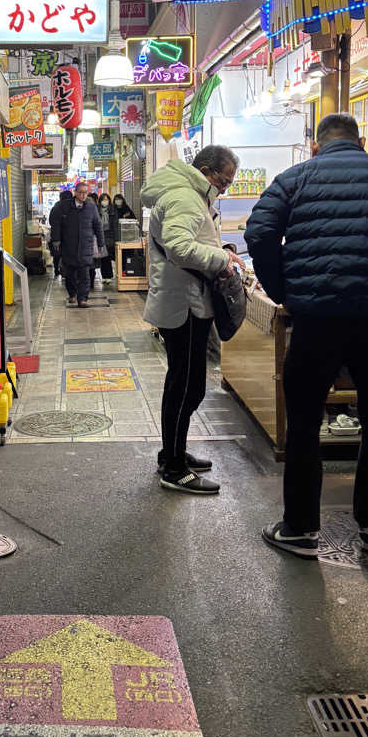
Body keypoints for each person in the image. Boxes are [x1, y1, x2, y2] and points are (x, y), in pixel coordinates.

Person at [245, 113, 368, 558]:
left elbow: (259, 234)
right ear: (360, 142)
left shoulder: (293, 179)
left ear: (317, 146)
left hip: (317, 315)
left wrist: (284, 291)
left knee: (302, 421)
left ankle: (300, 529)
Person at [142, 145, 245, 494]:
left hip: (189, 304)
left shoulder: (190, 194)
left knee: (187, 385)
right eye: (224, 180)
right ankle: (173, 468)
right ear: (205, 170)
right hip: (183, 306)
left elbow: (195, 240)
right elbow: (179, 247)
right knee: (185, 386)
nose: (225, 188)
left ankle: (173, 452)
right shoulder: (185, 196)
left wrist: (222, 251)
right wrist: (222, 259)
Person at [50, 180, 105, 308]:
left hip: (86, 246)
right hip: (69, 246)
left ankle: (83, 298)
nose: (83, 195)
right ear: (75, 192)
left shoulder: (91, 207)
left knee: (85, 274)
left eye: (85, 193)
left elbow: (98, 225)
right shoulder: (64, 206)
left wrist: (101, 242)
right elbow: (55, 223)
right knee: (70, 274)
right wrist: (56, 239)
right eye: (80, 193)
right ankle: (72, 294)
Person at [47, 190, 72, 278]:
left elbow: (52, 222)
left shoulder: (56, 207)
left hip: (58, 236)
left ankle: (57, 270)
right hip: (70, 237)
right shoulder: (73, 206)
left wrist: (55, 239)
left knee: (57, 254)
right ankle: (66, 271)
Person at [98, 193, 116, 282]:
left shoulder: (112, 210)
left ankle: (109, 275)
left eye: (106, 199)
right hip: (100, 235)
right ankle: (104, 276)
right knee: (102, 256)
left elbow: (115, 224)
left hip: (110, 235)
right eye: (103, 199)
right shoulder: (97, 210)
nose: (105, 201)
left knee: (108, 255)